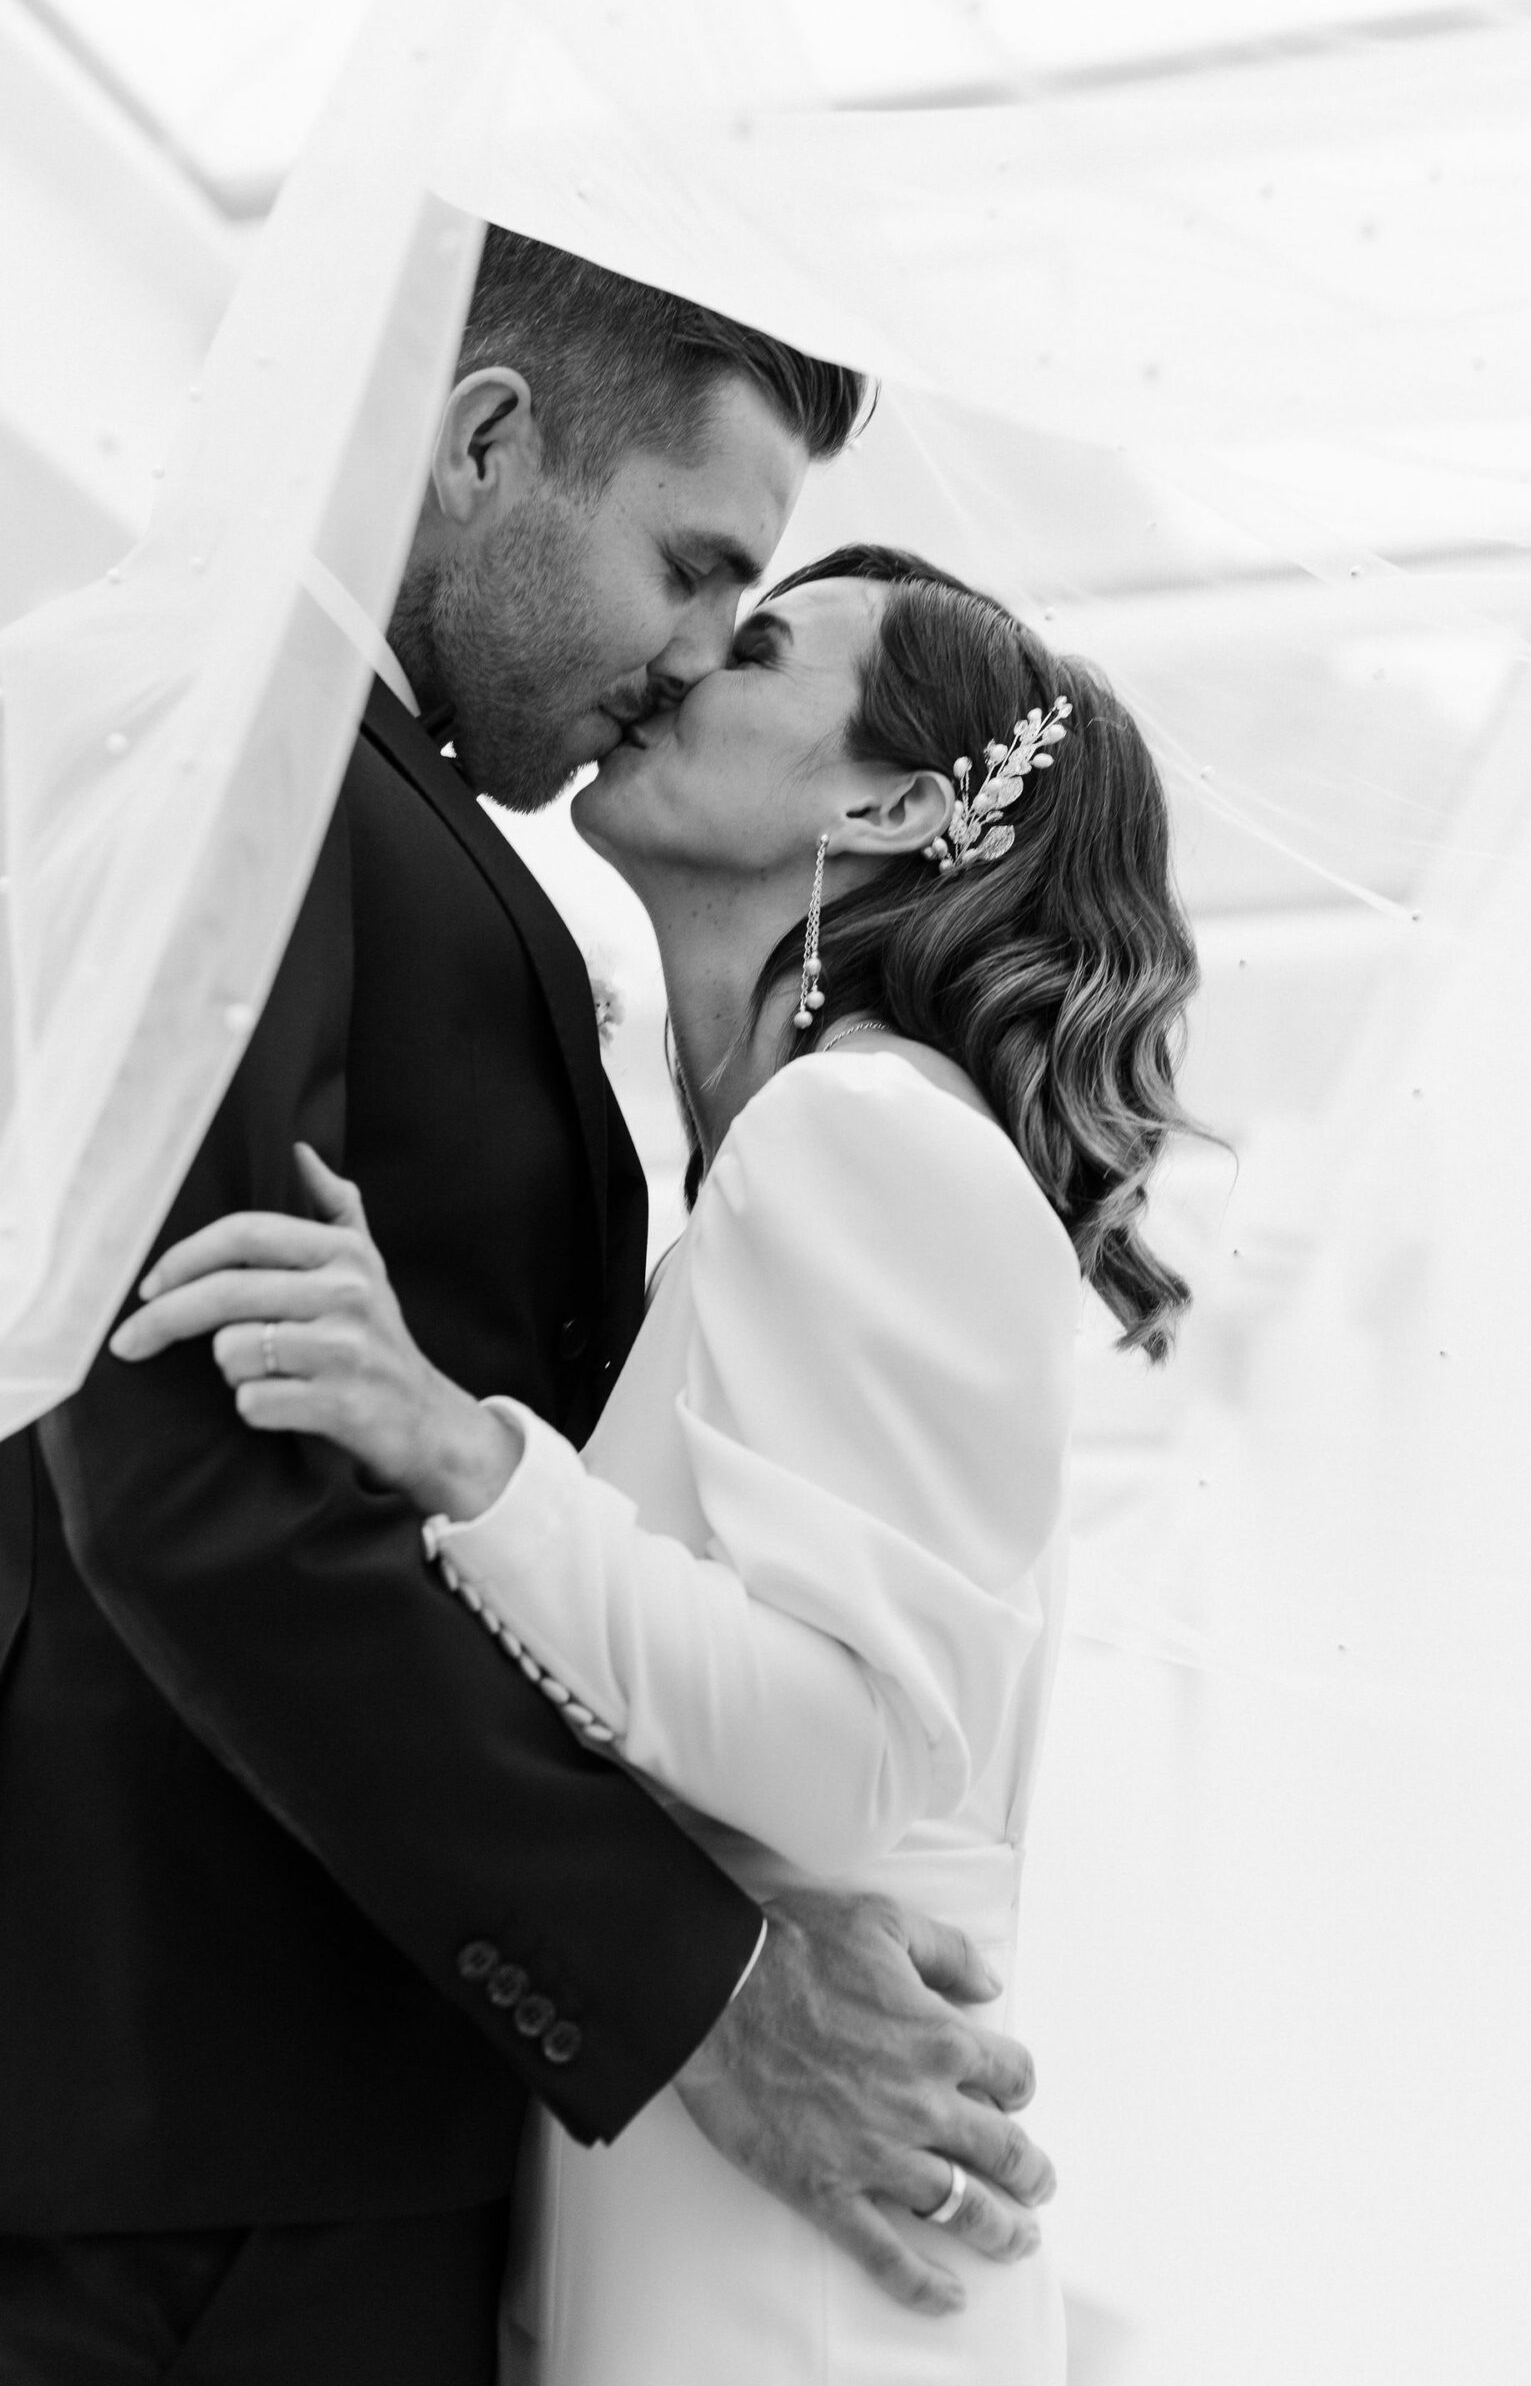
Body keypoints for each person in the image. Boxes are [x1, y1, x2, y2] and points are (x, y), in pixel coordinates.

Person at [0, 245, 1054, 2385]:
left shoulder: (394, 823)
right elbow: (206, 1487)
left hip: (348, 2133)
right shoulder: (247, 752)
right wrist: (706, 1998)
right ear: (484, 442)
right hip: (208, 2142)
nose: (686, 664)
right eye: (691, 569)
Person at [114, 544, 1200, 2382]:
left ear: (893, 805)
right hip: (723, 2189)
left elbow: (857, 1759)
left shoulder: (863, 1127)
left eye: (757, 639)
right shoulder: (787, 1153)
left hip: (804, 2244)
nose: (685, 656)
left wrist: (461, 1453)